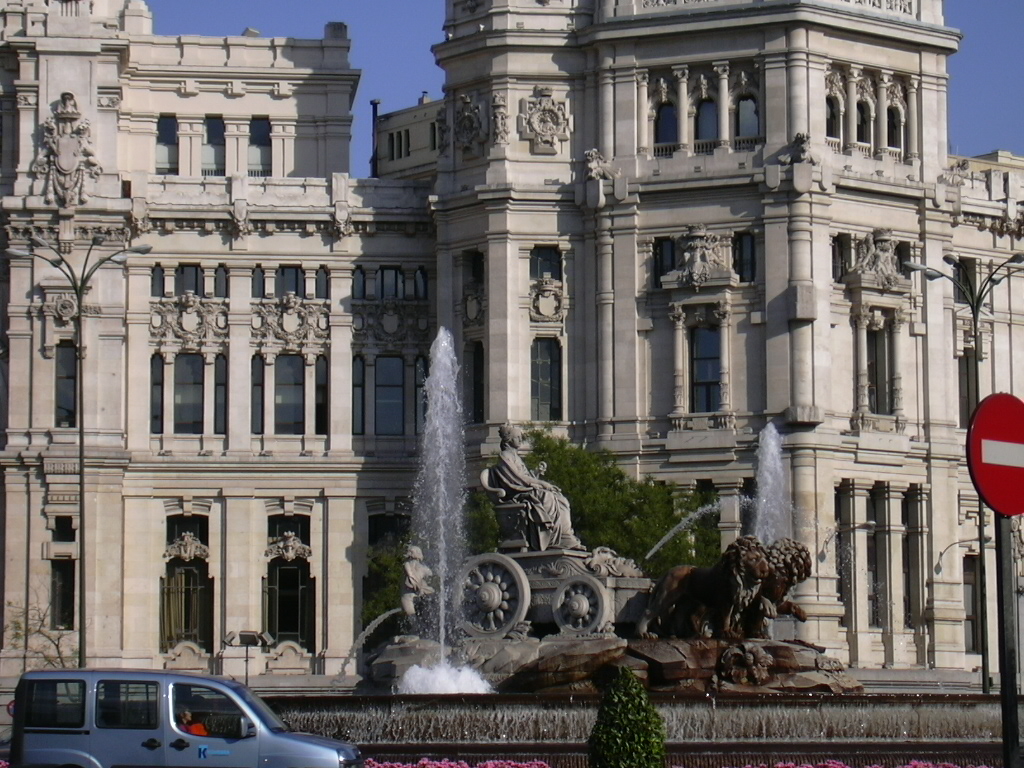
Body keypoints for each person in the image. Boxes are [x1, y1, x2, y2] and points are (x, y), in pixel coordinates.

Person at [487, 424, 583, 551]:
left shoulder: (516, 457)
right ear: (509, 439)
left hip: (526, 489)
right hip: (517, 493)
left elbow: (525, 476)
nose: (520, 439)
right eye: (517, 437)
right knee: (547, 496)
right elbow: (517, 478)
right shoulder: (505, 456)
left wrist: (536, 473)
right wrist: (542, 484)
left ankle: (564, 535)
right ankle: (549, 538)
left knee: (561, 499)